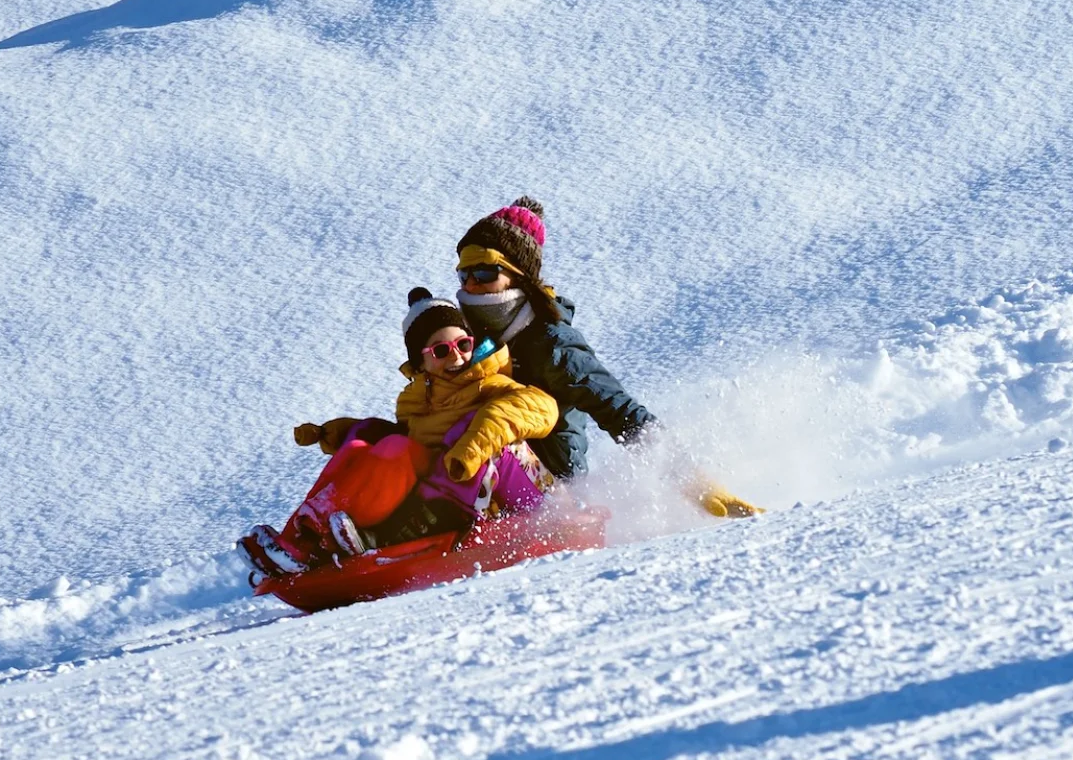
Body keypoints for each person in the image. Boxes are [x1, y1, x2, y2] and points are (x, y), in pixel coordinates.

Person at [451, 196, 762, 518]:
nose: (472, 285)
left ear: (518, 276)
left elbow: (619, 411)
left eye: (486, 272)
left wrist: (693, 480)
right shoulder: (465, 340)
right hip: (481, 483)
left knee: (486, 436)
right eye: (465, 275)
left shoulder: (550, 344)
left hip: (550, 489)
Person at [276, 289, 560, 567]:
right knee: (378, 445)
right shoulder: (416, 404)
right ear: (420, 363)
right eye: (441, 351)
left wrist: (477, 440)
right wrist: (344, 434)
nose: (457, 357)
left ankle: (389, 537)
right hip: (444, 504)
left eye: (463, 345)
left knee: (468, 431)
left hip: (530, 503)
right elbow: (399, 443)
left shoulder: (489, 381)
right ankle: (303, 537)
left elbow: (544, 408)